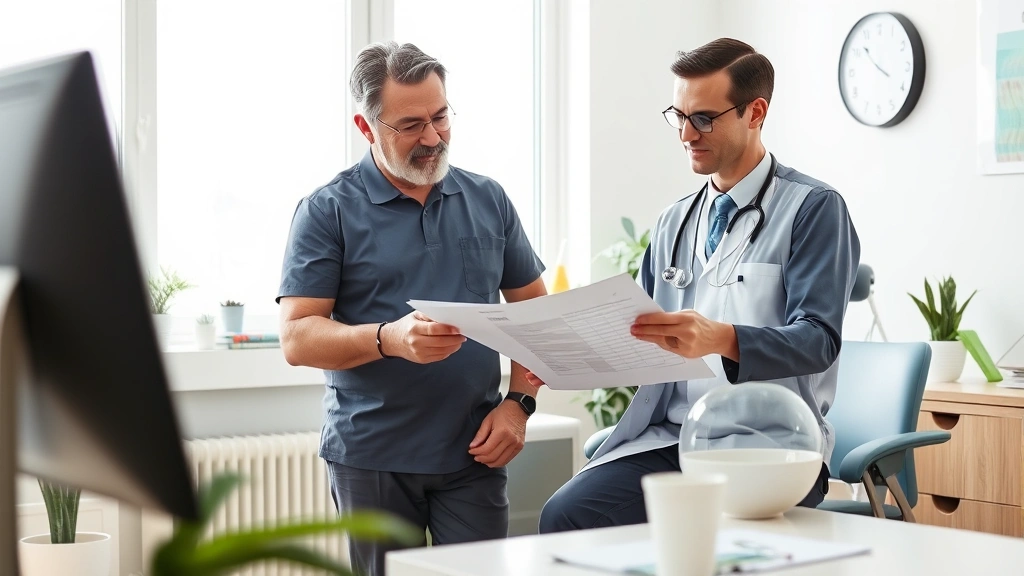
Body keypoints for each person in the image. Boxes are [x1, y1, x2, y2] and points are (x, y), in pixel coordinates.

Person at [535, 38, 860, 532]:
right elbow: (637, 330)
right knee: (566, 514)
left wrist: (720, 337)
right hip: (675, 438)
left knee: (708, 538)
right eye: (678, 116)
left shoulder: (813, 209)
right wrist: (565, 344)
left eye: (703, 118)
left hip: (768, 446)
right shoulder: (674, 221)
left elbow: (818, 340)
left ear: (755, 112)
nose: (686, 134)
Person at [277, 41, 547, 575]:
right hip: (372, 457)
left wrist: (519, 403)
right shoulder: (326, 210)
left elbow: (535, 318)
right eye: (410, 125)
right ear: (366, 125)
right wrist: (388, 339)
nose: (432, 137)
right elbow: (297, 337)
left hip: (475, 450)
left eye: (441, 116)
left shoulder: (488, 199)